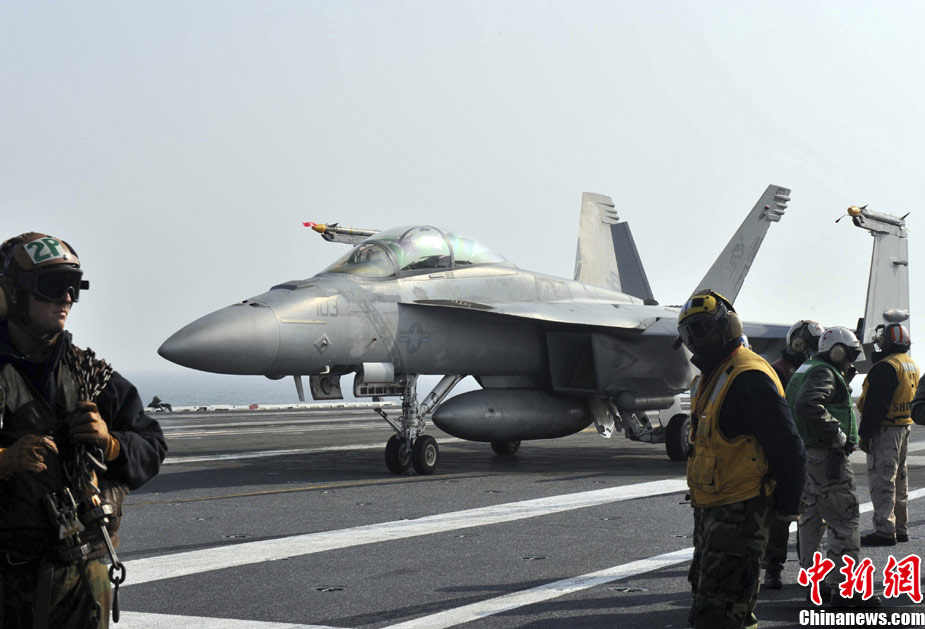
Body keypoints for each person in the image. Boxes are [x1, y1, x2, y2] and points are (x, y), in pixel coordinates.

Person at [0, 233, 167, 628]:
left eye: (74, 287)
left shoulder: (90, 376)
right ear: (10, 295)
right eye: (53, 285)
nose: (67, 298)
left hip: (83, 584)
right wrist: (4, 461)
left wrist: (111, 445)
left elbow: (152, 445)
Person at [679, 290, 806, 629]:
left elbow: (789, 446)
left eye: (701, 329)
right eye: (688, 333)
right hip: (713, 509)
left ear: (728, 327)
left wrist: (785, 508)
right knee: (711, 601)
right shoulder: (711, 377)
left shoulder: (748, 376)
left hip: (741, 511)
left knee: (721, 612)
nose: (695, 340)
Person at [787, 326, 880, 607]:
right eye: (849, 355)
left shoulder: (806, 368)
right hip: (826, 457)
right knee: (844, 518)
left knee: (810, 519)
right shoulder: (824, 373)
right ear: (837, 351)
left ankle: (815, 584)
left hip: (805, 456)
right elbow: (809, 405)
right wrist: (835, 432)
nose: (850, 361)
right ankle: (845, 588)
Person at [762, 320, 825, 590]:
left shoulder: (814, 369)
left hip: (808, 448)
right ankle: (773, 567)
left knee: (811, 513)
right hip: (785, 451)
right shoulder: (777, 371)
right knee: (781, 512)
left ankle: (809, 566)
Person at [857, 324, 919, 546]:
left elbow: (876, 406)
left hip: (886, 430)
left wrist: (865, 434)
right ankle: (900, 528)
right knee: (900, 481)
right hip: (904, 426)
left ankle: (884, 530)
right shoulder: (910, 363)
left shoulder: (886, 366)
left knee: (882, 481)